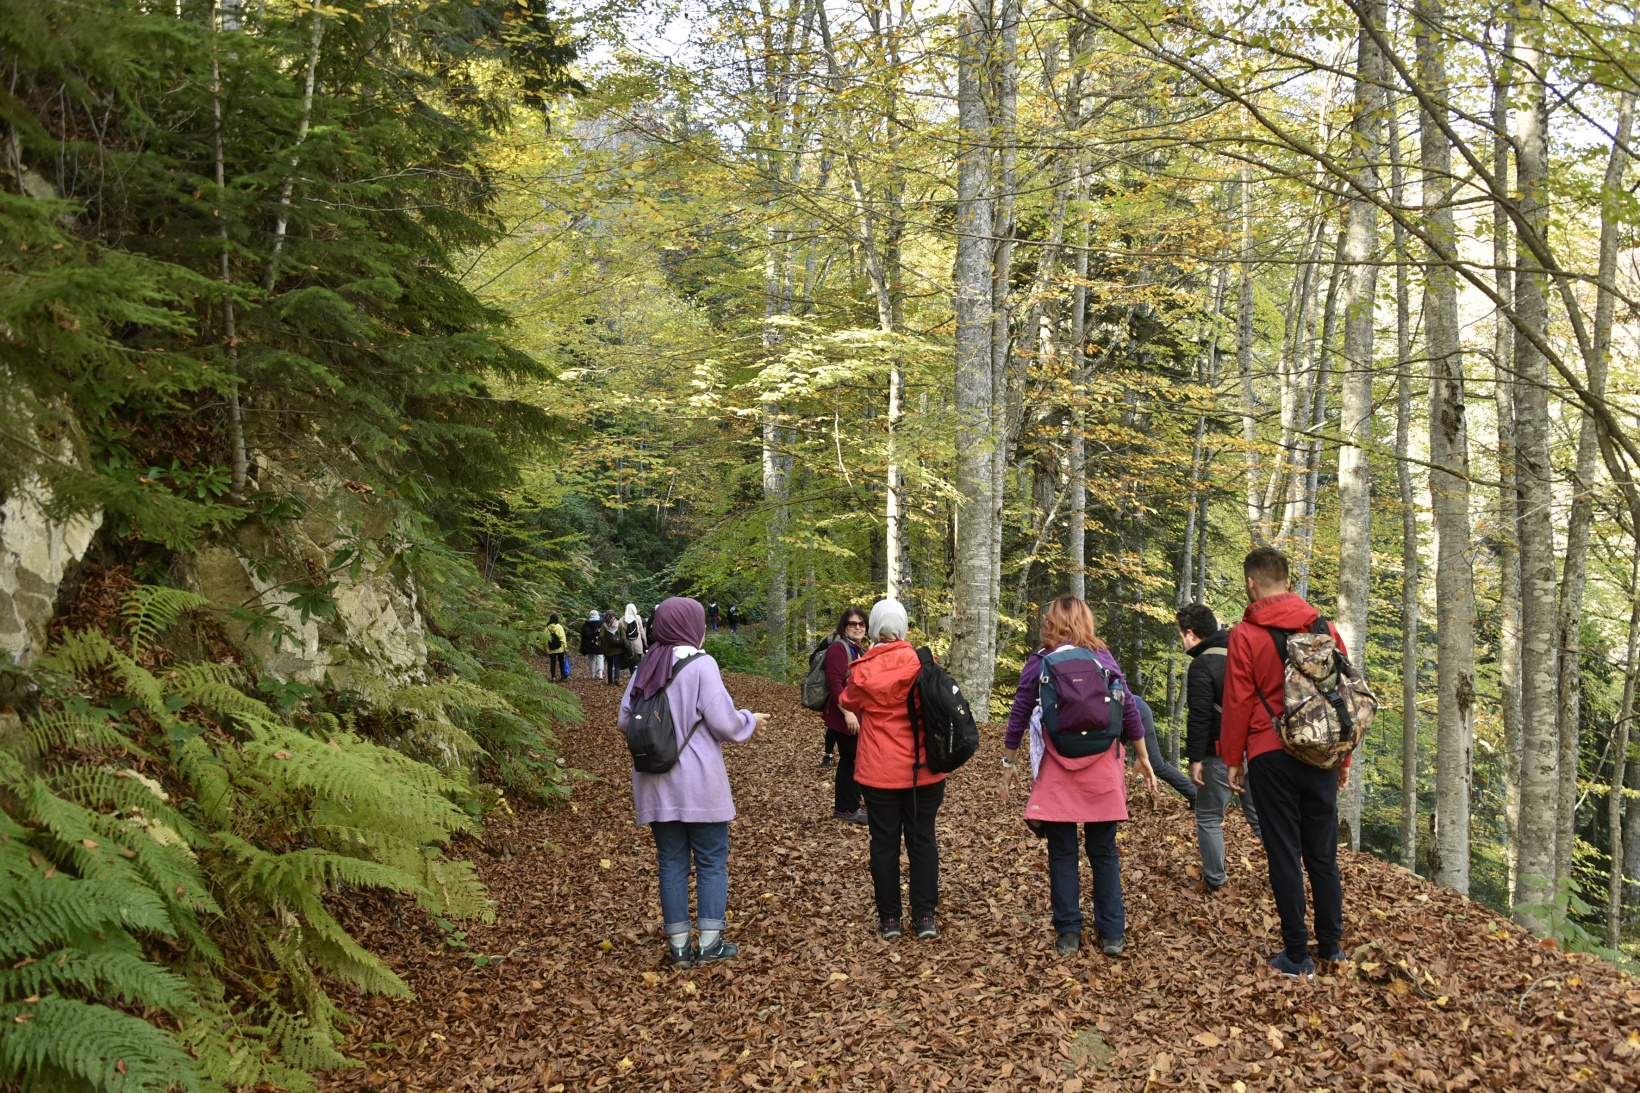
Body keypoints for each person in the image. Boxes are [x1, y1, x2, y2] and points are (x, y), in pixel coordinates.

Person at [1002, 596, 1158, 957]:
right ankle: (1113, 934)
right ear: (1087, 622)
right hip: (1102, 767)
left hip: (1058, 767)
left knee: (1062, 852)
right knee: (1103, 851)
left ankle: (1069, 933)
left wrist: (1008, 765)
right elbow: (1129, 705)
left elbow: (1018, 716)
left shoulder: (1040, 663)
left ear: (1050, 622)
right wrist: (1143, 756)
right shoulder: (1102, 658)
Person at [1220, 547, 1350, 978]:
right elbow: (1344, 698)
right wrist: (1342, 759)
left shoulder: (1244, 634)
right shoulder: (1324, 627)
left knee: (1284, 853)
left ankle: (1297, 954)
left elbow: (1237, 700)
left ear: (1251, 584)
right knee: (1323, 856)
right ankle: (1332, 947)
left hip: (1270, 751)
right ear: (1289, 581)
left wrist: (1232, 758)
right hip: (1320, 754)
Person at [619, 597, 769, 966]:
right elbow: (724, 722)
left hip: (655, 782)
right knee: (712, 860)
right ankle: (711, 944)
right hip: (699, 783)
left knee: (671, 862)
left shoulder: (646, 665)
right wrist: (750, 719)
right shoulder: (702, 665)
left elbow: (625, 720)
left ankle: (680, 946)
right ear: (691, 625)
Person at [838, 599, 942, 940]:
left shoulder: (863, 669)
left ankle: (890, 920)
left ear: (872, 629)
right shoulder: (923, 662)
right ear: (904, 627)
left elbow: (847, 702)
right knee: (922, 840)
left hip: (879, 771)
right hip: (923, 769)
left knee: (883, 844)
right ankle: (925, 917)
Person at [1177, 602, 1261, 895]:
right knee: (1259, 816)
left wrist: (1195, 758)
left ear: (1190, 634)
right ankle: (1288, 873)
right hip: (1259, 746)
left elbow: (1200, 716)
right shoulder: (1243, 652)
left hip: (1221, 752)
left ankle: (1215, 880)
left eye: (1181, 635)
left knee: (1209, 815)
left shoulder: (1202, 665)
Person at [822, 607, 869, 823]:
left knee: (855, 759)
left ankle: (851, 805)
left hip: (857, 714)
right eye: (853, 623)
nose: (857, 627)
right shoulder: (839, 649)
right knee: (850, 759)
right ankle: (847, 809)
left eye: (861, 623)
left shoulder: (859, 649)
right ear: (844, 626)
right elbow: (833, 684)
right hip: (843, 716)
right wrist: (848, 713)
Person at [1133, 695, 1197, 805]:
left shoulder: (1101, 684)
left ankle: (1195, 795)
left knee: (1154, 762)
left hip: (1137, 711)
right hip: (1120, 718)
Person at [600, 611, 627, 685]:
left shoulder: (604, 626)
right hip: (618, 649)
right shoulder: (619, 624)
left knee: (610, 665)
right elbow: (623, 636)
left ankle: (610, 681)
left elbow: (601, 636)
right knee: (617, 664)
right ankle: (617, 678)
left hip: (608, 649)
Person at [542, 613, 569, 681]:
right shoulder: (559, 627)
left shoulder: (547, 628)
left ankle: (553, 677)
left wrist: (545, 647)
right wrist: (565, 647)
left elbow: (544, 639)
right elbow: (562, 638)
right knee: (561, 661)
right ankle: (562, 676)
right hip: (560, 648)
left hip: (551, 648)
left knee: (553, 662)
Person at [580, 610, 604, 680]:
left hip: (590, 645)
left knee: (591, 659)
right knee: (600, 658)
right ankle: (600, 674)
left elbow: (583, 635)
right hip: (600, 643)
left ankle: (592, 674)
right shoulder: (602, 624)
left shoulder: (586, 625)